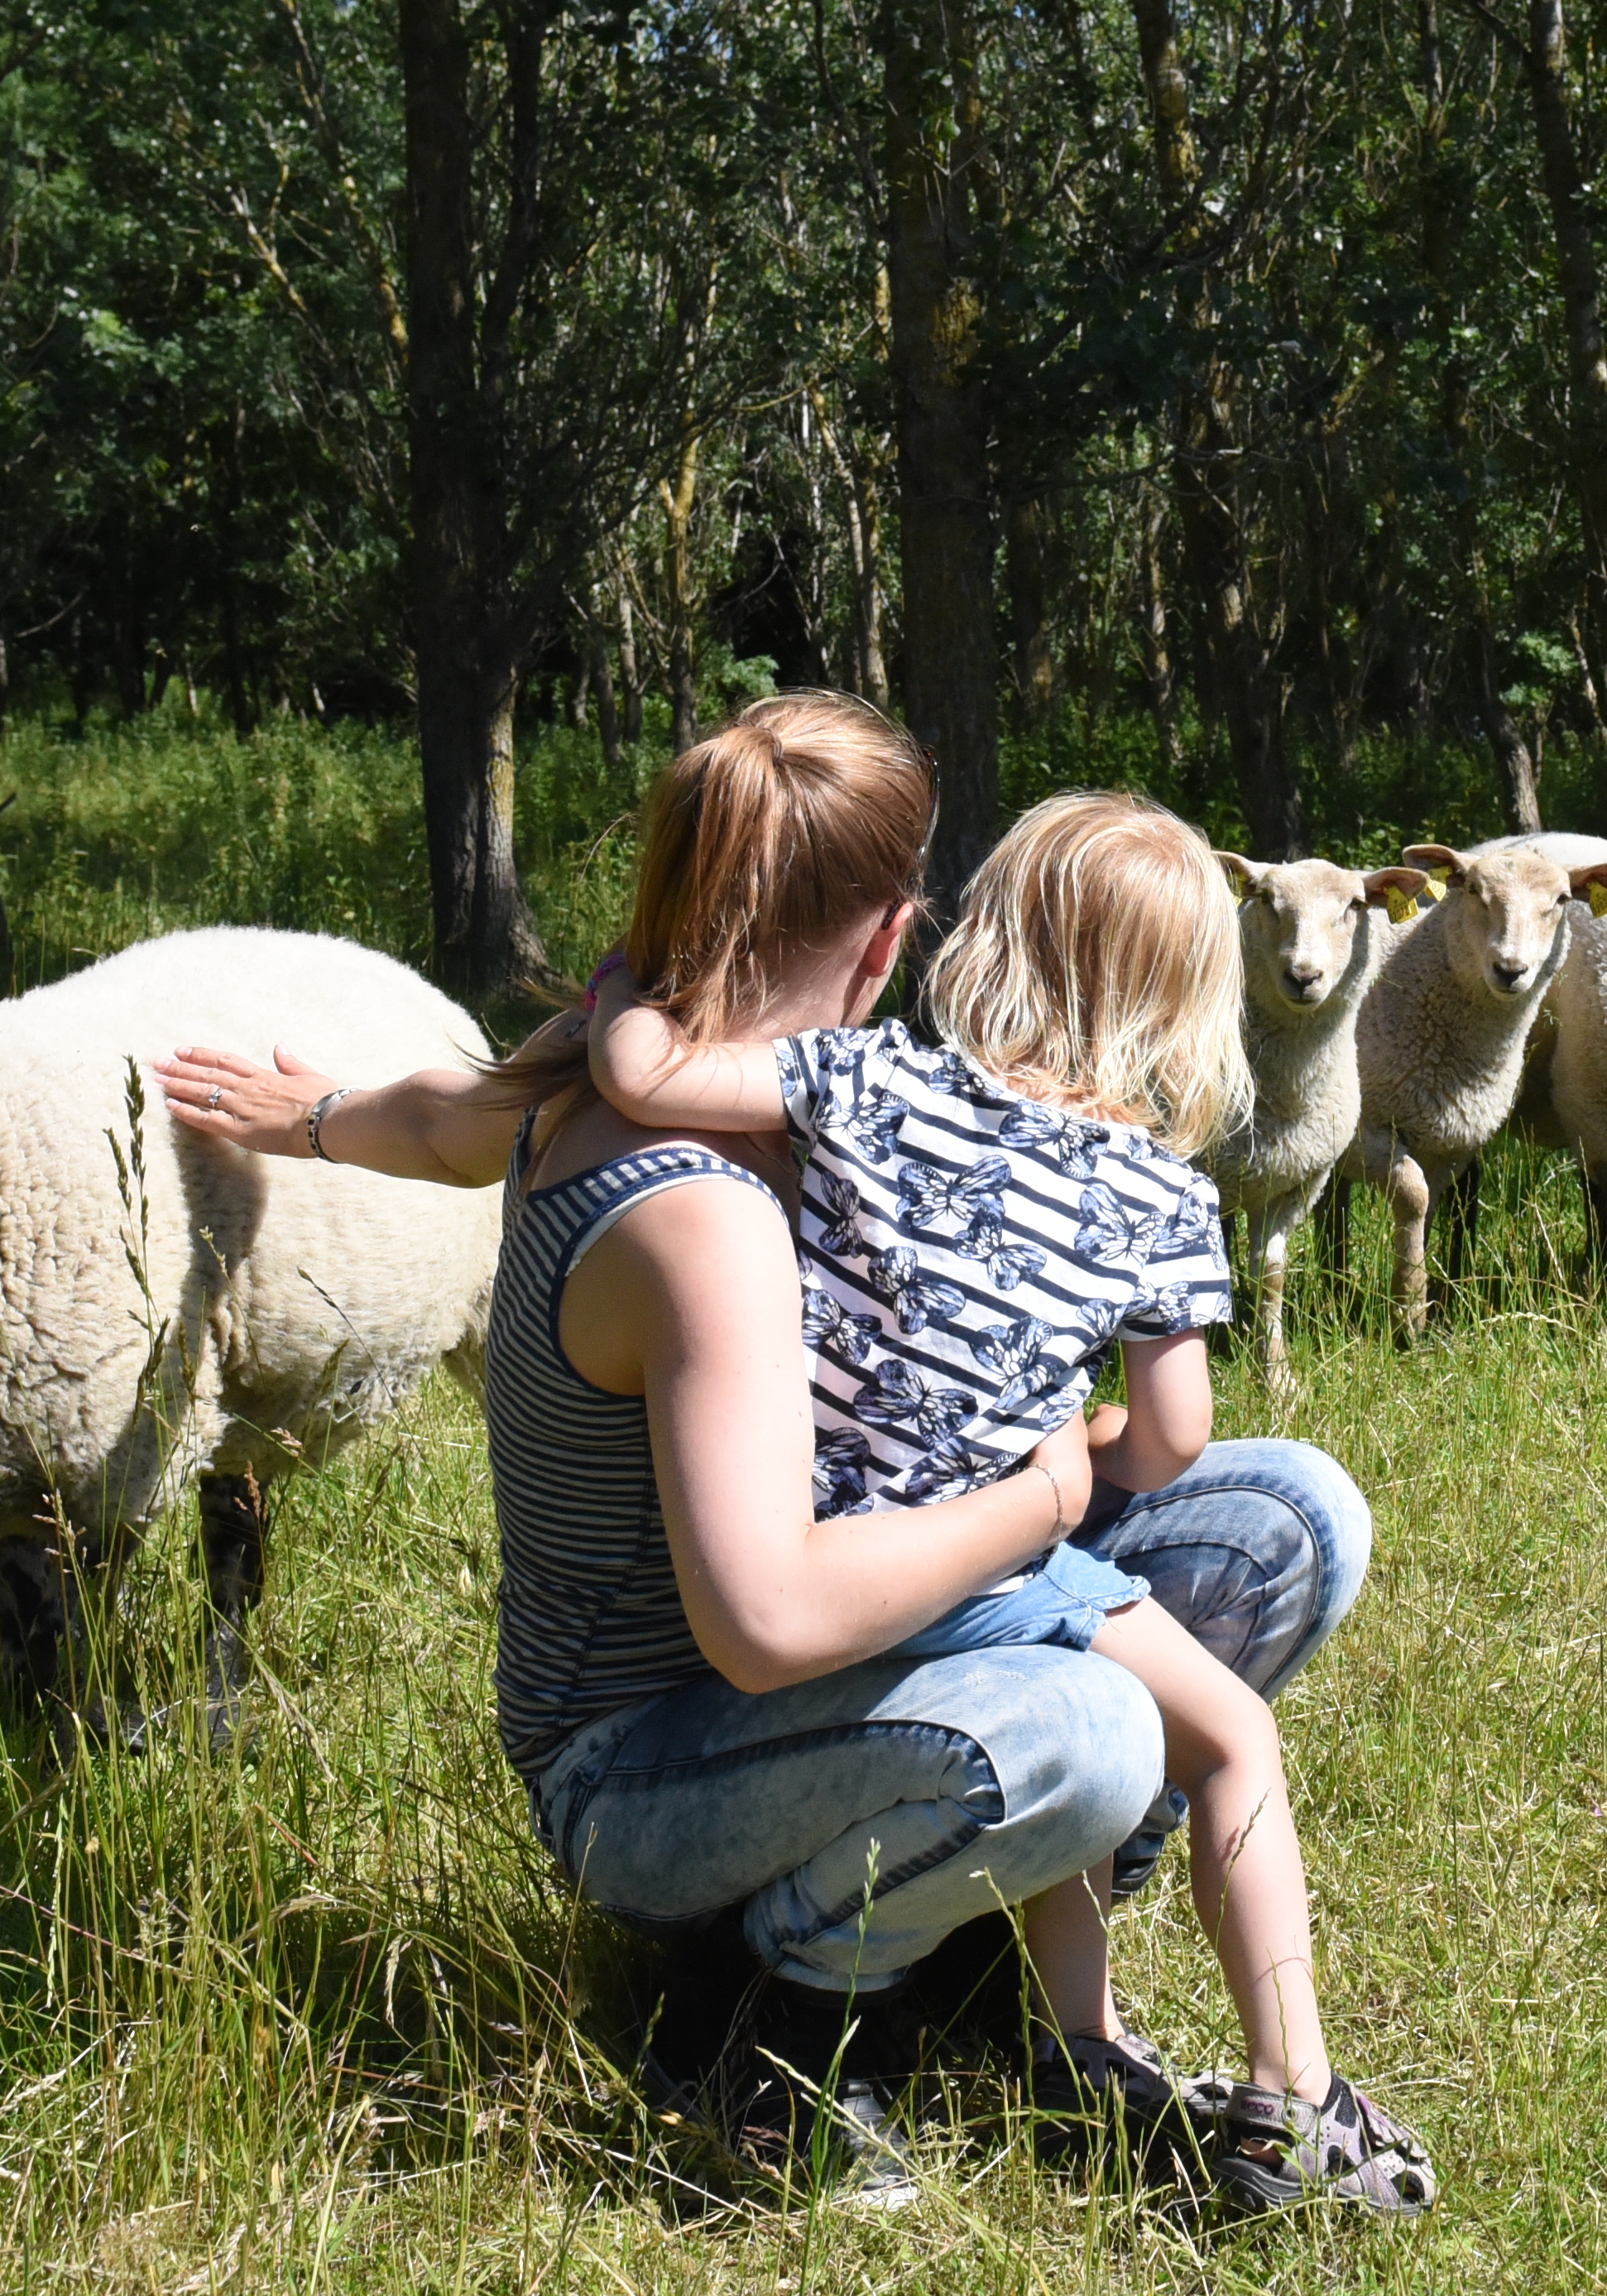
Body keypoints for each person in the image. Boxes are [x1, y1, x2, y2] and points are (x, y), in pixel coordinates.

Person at [154, 694, 1393, 2210]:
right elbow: (771, 1626)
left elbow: (457, 1118)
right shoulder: (708, 1215)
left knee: (1286, 1518)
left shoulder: (732, 1083)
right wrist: (1049, 1492)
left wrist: (318, 1116)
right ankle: (764, 2016)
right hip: (652, 1756)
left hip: (855, 1628)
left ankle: (959, 1943)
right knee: (1100, 1727)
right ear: (888, 942)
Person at [584, 787, 1429, 2215]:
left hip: (820, 1549)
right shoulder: (1163, 1193)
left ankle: (1075, 2040)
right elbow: (1170, 1440)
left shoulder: (871, 1080)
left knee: (1090, 1700)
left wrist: (620, 989)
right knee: (1224, 1736)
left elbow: (648, 1076)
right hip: (986, 1550)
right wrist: (1075, 1438)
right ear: (1192, 1001)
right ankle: (1295, 2099)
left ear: (991, 941)